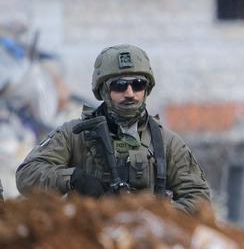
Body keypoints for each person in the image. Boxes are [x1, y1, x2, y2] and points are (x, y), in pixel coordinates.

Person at [15, 44, 211, 213]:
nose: (130, 93)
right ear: (103, 90)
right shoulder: (75, 135)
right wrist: (74, 178)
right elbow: (27, 175)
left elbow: (199, 199)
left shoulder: (167, 143)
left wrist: (155, 214)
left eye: (138, 84)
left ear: (147, 89)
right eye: (119, 85)